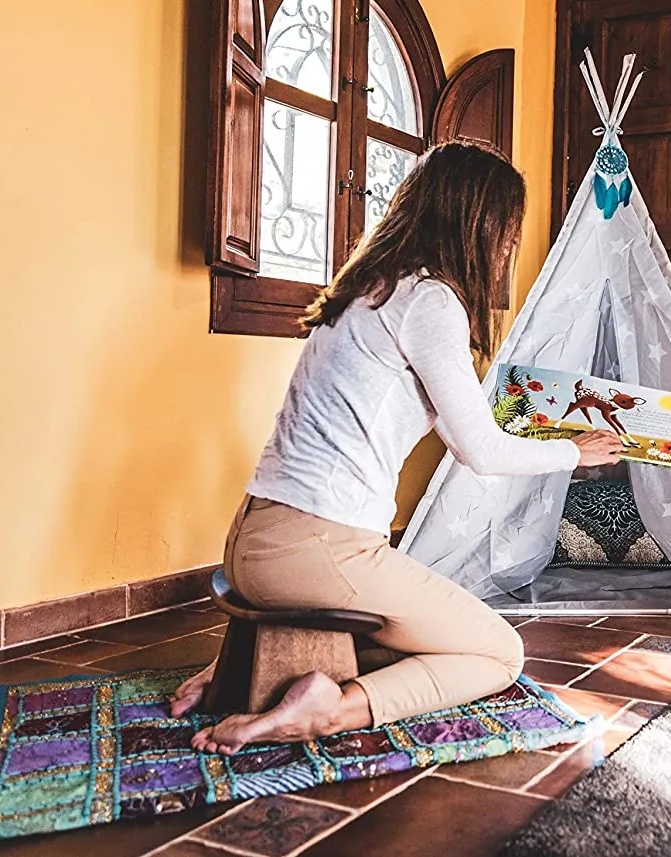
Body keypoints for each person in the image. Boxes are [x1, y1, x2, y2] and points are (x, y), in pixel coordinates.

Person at [171, 142, 624, 753]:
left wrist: (540, 421)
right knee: (498, 650)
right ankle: (330, 710)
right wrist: (579, 451)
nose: (508, 247)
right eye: (508, 230)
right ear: (477, 223)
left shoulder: (368, 291)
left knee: (411, 630)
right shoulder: (431, 301)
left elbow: (461, 426)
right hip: (317, 552)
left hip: (254, 545)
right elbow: (482, 453)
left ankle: (245, 675)